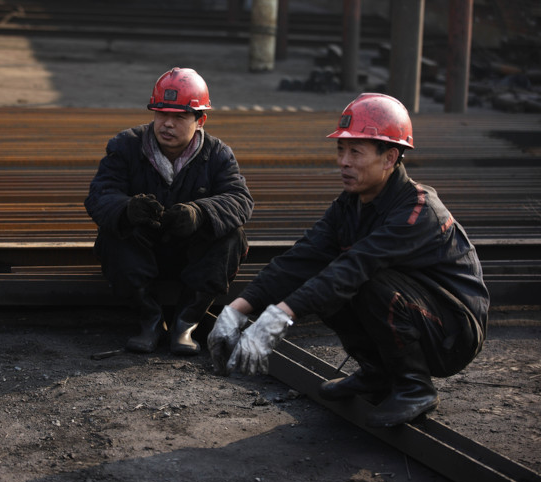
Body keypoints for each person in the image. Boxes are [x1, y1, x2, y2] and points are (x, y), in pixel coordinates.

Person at [207, 93, 489, 428]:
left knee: (355, 278)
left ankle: (415, 387)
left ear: (389, 158)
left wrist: (278, 318)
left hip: (452, 332)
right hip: (419, 315)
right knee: (325, 279)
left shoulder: (417, 210)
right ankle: (377, 374)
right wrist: (238, 309)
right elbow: (302, 256)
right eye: (341, 150)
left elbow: (357, 266)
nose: (343, 161)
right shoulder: (350, 204)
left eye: (356, 151)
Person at [85, 67, 253, 356]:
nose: (167, 124)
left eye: (179, 117)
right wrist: (127, 209)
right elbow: (100, 195)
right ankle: (149, 320)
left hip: (192, 255)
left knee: (232, 236)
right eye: (161, 114)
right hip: (143, 251)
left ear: (200, 120)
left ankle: (186, 323)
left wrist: (199, 213)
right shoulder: (125, 146)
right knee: (114, 232)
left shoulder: (218, 154)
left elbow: (239, 199)